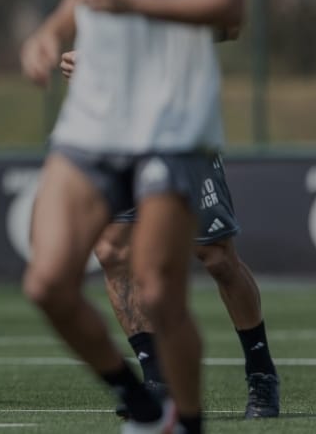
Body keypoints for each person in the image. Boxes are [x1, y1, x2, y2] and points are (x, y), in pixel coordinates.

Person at [19, 0, 244, 432]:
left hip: (171, 119)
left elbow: (229, 11)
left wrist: (138, 6)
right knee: (48, 284)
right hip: (93, 117)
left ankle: (189, 422)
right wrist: (51, 31)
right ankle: (142, 403)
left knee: (160, 292)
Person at [60, 50, 280, 420]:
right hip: (116, 125)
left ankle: (261, 372)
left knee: (216, 256)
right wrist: (58, 42)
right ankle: (156, 380)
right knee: (113, 250)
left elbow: (226, 28)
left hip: (180, 116)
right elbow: (80, 13)